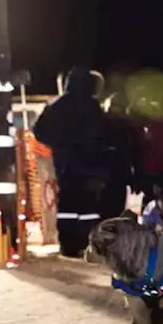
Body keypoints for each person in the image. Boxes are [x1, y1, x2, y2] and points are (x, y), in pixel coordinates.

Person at [33, 67, 109, 258]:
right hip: (91, 166)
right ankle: (87, 245)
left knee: (67, 207)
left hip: (66, 166)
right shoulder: (93, 107)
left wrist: (59, 144)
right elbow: (104, 136)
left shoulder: (58, 106)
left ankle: (68, 246)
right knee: (89, 208)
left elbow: (39, 131)